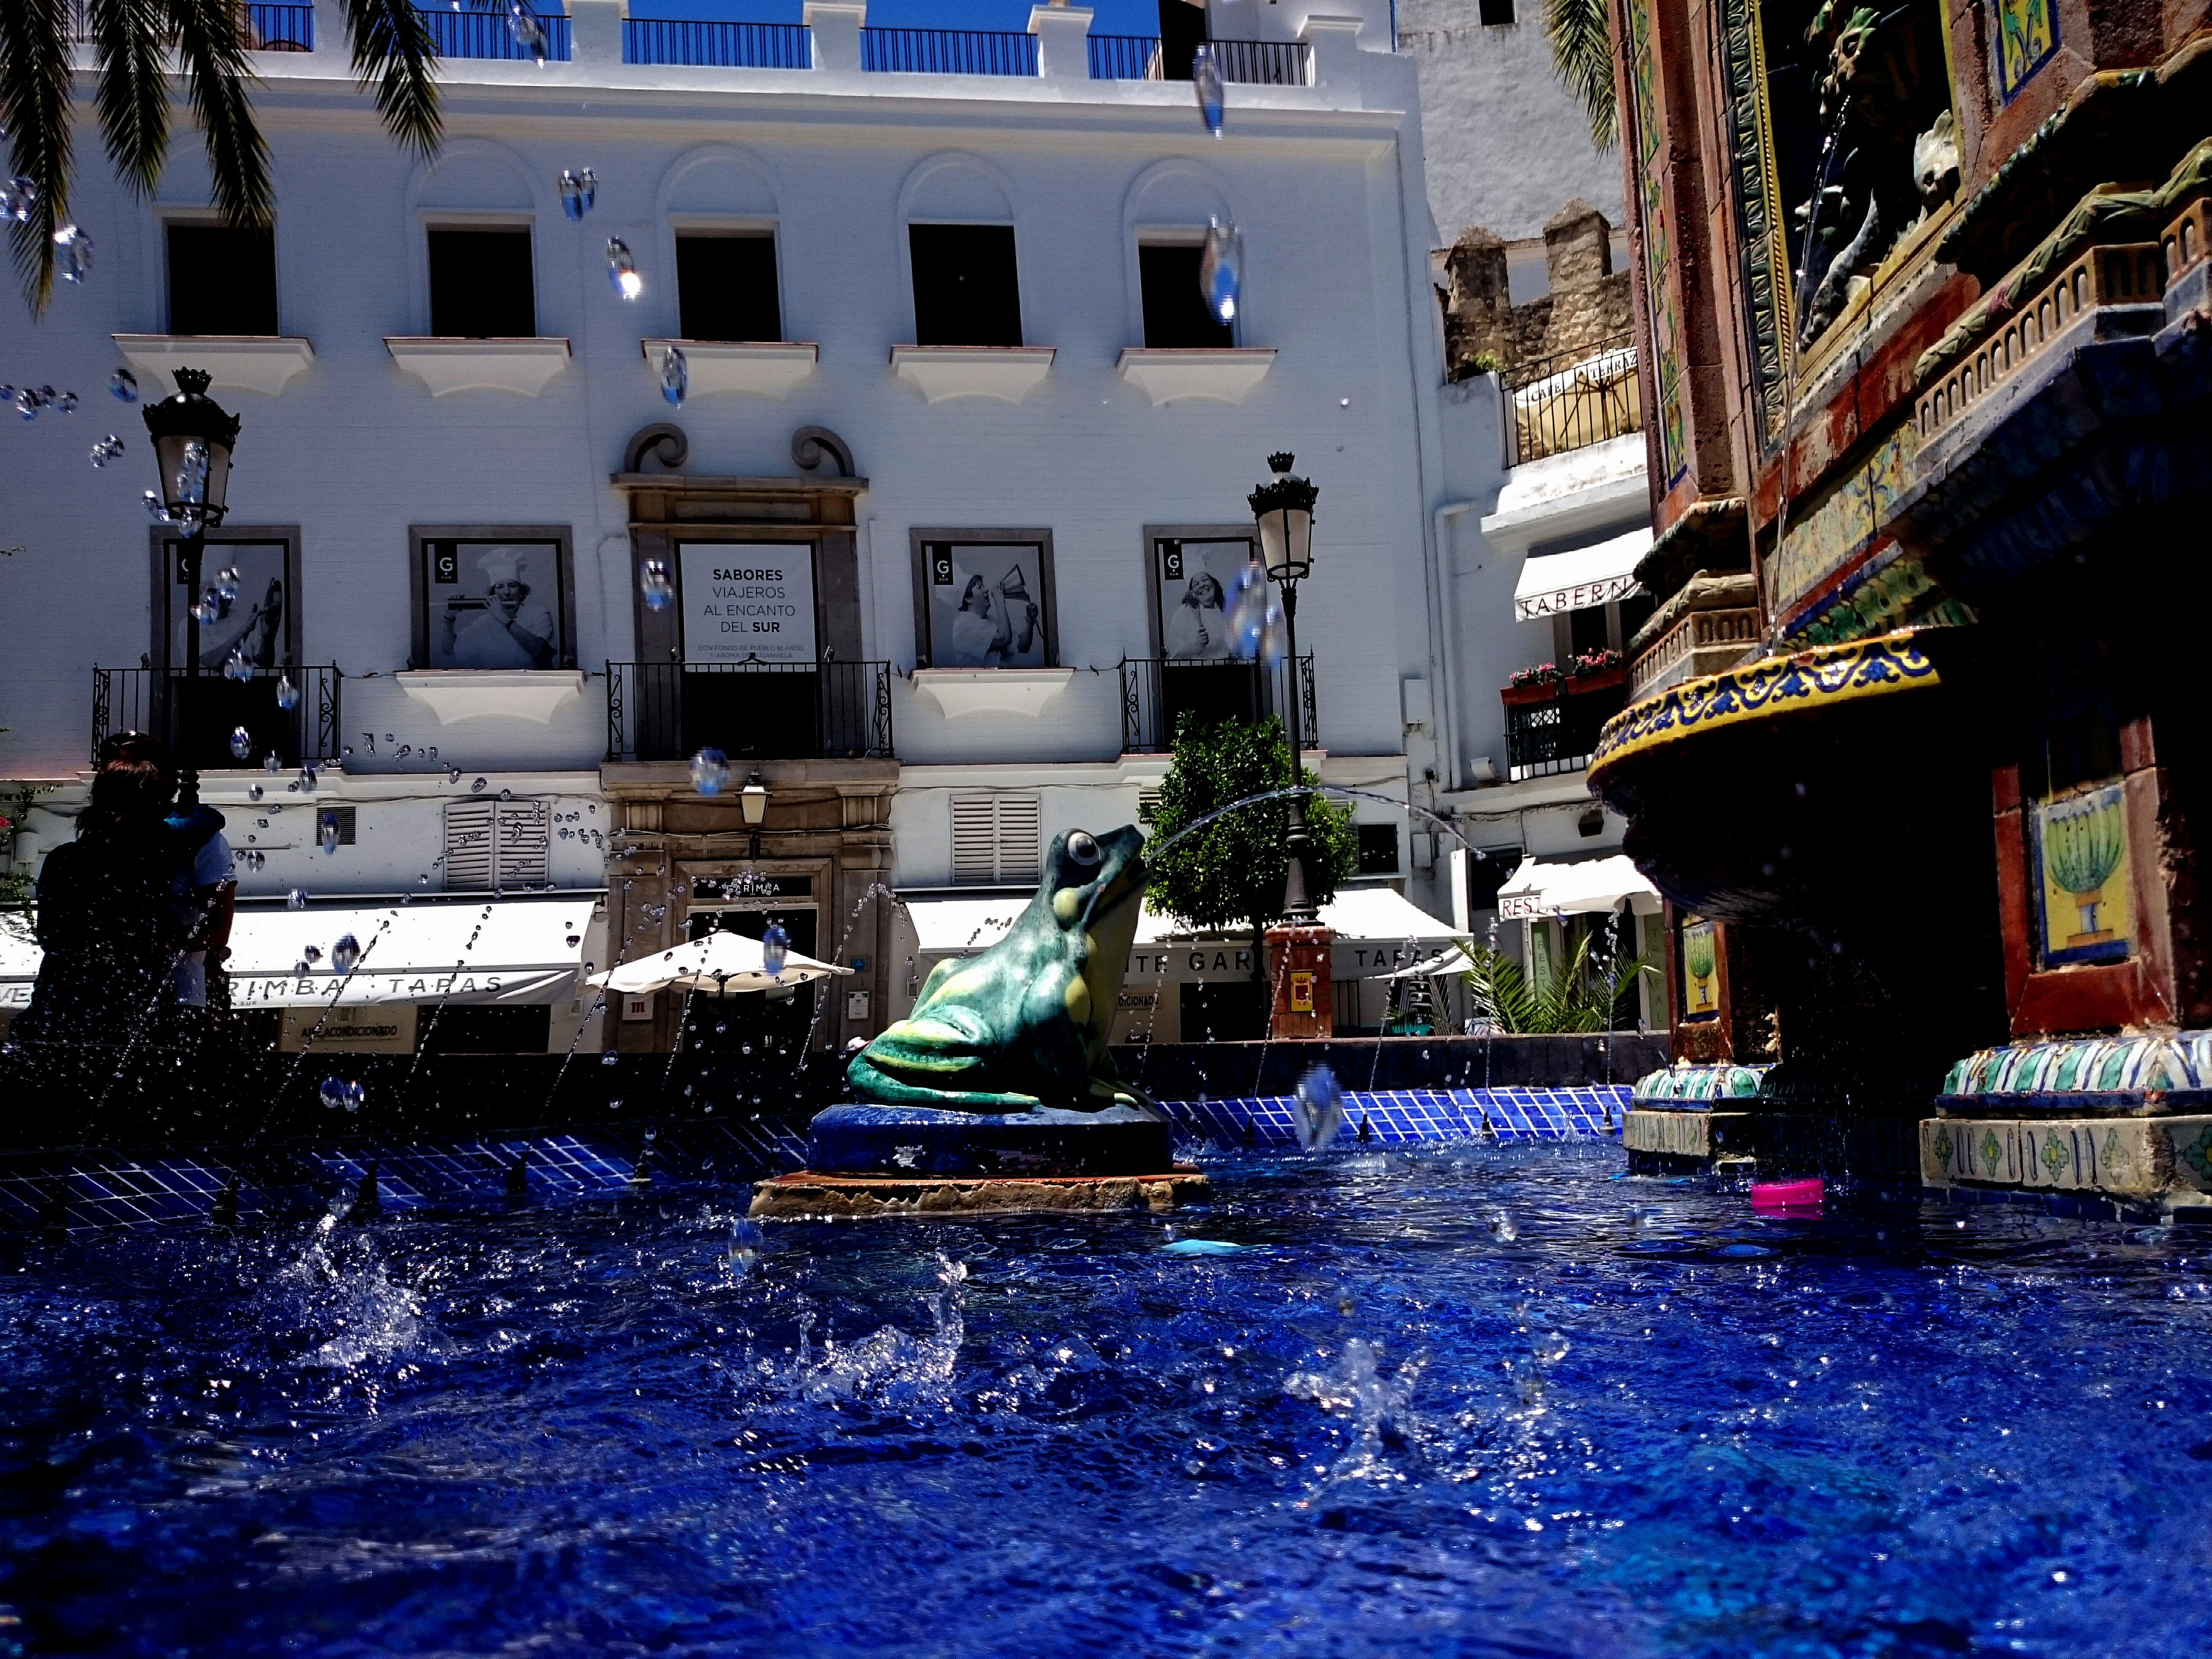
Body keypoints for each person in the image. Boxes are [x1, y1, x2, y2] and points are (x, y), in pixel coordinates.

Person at [12, 741, 185, 1052]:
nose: (166, 815)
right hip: (131, 1014)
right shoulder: (158, 860)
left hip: (65, 1011)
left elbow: (54, 939)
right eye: (159, 806)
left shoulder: (65, 860)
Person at [440, 547, 557, 668]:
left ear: (521, 593)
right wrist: (449, 619)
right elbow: (450, 649)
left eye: (512, 586)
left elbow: (539, 651)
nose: (507, 592)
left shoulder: (539, 615)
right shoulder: (483, 624)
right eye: (500, 587)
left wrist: (504, 620)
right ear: (493, 595)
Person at [1164, 570, 1230, 659]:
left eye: (1205, 580)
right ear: (1192, 593)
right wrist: (1196, 646)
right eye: (1196, 584)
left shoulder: (1227, 610)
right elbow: (1175, 651)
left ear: (1214, 584)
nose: (1202, 585)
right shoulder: (1185, 611)